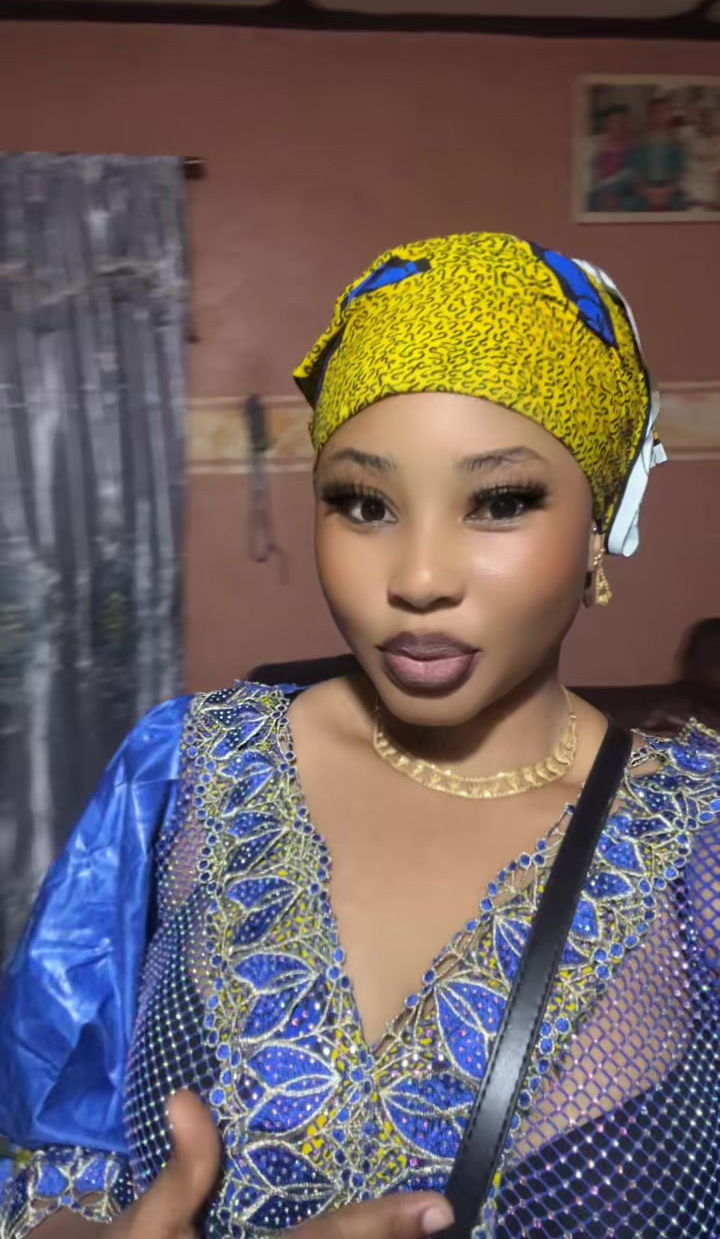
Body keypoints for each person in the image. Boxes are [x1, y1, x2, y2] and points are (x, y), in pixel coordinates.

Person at [1, 233, 718, 1239]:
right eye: (364, 503)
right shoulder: (186, 772)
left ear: (598, 522)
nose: (418, 578)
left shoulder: (700, 843)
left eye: (500, 502)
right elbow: (39, 1157)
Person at [633, 95, 687, 212]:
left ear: (670, 114)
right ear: (650, 115)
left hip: (670, 189)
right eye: (656, 112)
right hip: (647, 188)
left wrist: (668, 190)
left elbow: (680, 172)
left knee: (680, 204)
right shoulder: (641, 141)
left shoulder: (677, 142)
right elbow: (637, 172)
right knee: (634, 205)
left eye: (664, 111)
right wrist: (646, 190)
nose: (660, 115)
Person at [588, 105, 636, 213]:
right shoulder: (595, 147)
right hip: (601, 193)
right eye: (616, 122)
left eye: (623, 122)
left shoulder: (633, 148)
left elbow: (633, 178)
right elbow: (593, 177)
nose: (621, 126)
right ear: (607, 123)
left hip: (624, 194)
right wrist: (606, 195)